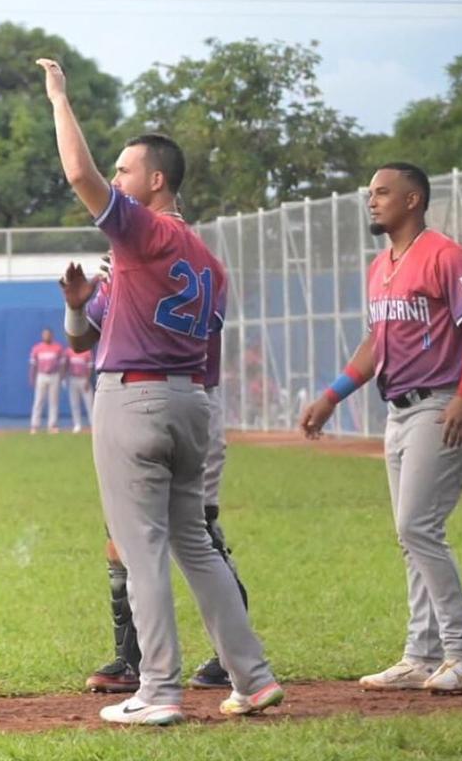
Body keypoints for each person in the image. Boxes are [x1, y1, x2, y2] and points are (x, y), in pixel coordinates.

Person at [37, 57, 282, 726]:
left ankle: (160, 689)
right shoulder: (206, 258)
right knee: (195, 547)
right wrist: (80, 307)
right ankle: (254, 679)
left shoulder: (146, 230)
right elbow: (199, 356)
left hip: (135, 396)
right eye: (118, 169)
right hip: (192, 400)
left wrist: (60, 98)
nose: (117, 178)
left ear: (157, 180)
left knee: (139, 548)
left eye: (127, 169)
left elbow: (79, 175)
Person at [300, 162, 462, 693]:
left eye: (384, 193)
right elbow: (375, 346)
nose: (373, 200)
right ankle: (420, 654)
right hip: (399, 410)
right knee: (411, 537)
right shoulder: (380, 265)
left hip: (440, 407)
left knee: (417, 527)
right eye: (370, 193)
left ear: (413, 200)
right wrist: (330, 396)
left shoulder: (446, 255)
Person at [64, 266, 254, 694]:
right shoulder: (123, 270)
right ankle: (130, 660)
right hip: (136, 410)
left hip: (185, 400)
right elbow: (81, 340)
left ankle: (233, 659)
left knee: (197, 535)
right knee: (119, 541)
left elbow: (204, 350)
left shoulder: (182, 265)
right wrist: (78, 306)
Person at [29, 328, 65, 433]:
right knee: (38, 401)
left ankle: (52, 425)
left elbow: (62, 364)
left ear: (52, 336)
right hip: (41, 375)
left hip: (54, 375)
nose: (47, 336)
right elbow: (33, 365)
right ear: (42, 336)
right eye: (45, 335)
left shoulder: (58, 348)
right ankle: (35, 425)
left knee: (53, 401)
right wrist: (32, 377)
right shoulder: (37, 348)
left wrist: (61, 377)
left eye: (48, 334)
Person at [63, 345, 94, 433]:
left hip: (84, 379)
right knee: (74, 403)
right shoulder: (69, 351)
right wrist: (64, 378)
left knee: (89, 403)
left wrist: (88, 380)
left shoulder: (87, 352)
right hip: (73, 379)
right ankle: (77, 424)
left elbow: (90, 367)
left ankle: (92, 424)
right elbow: (65, 365)